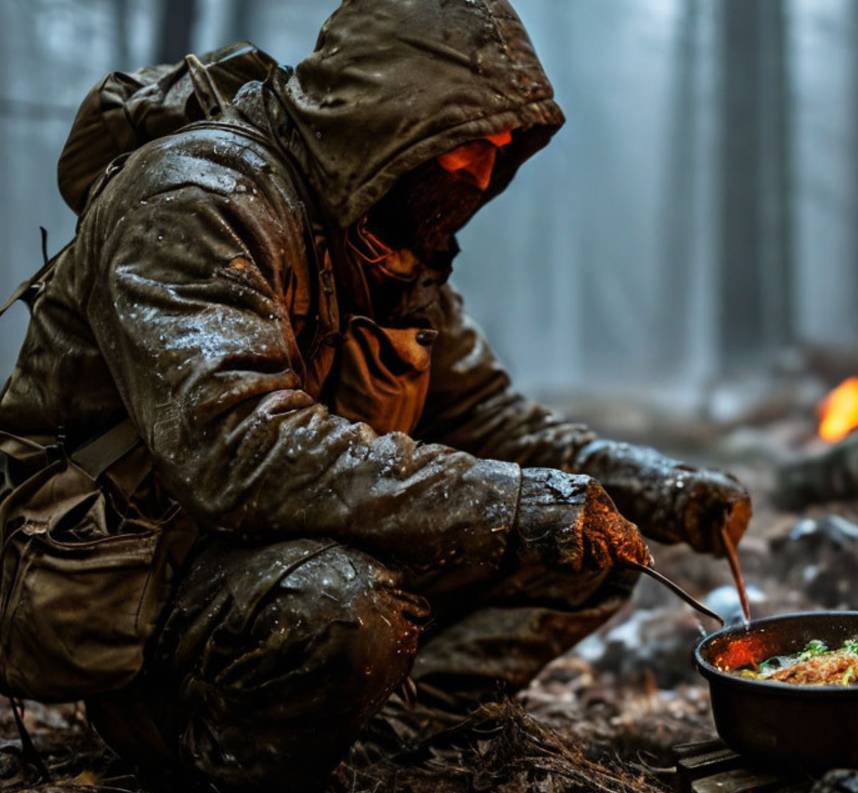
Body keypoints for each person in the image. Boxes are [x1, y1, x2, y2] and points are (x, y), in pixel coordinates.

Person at [0, 1, 749, 790]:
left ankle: (387, 738)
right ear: (389, 120)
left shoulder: (385, 238)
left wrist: (651, 487)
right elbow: (237, 447)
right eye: (463, 147)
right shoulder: (194, 199)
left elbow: (485, 417)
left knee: (585, 545)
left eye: (498, 151)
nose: (481, 176)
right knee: (340, 607)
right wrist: (516, 502)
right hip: (142, 586)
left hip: (273, 548)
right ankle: (192, 739)